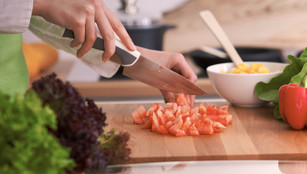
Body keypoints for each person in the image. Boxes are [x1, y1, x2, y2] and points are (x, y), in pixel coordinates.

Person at [0, 0, 197, 104]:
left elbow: (40, 17)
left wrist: (137, 56)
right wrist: (39, 3)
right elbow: (38, 7)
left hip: (16, 104)